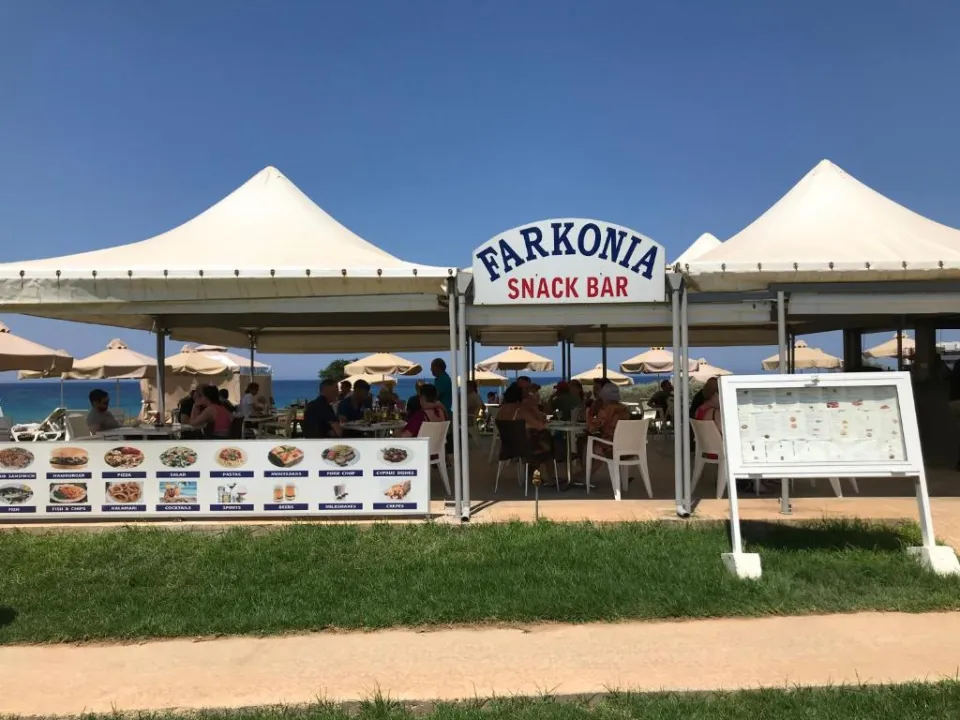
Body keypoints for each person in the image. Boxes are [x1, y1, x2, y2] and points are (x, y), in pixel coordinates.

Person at [497, 382, 556, 484]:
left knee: (536, 440)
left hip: (507, 447)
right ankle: (550, 478)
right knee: (547, 444)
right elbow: (540, 426)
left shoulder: (501, 411)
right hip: (524, 449)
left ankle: (532, 475)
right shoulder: (520, 412)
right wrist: (539, 415)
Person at [577, 383, 631, 475]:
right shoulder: (625, 409)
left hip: (611, 448)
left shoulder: (605, 410)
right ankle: (585, 474)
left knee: (586, 442)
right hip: (628, 447)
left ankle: (585, 474)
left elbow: (591, 429)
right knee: (594, 443)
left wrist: (589, 413)